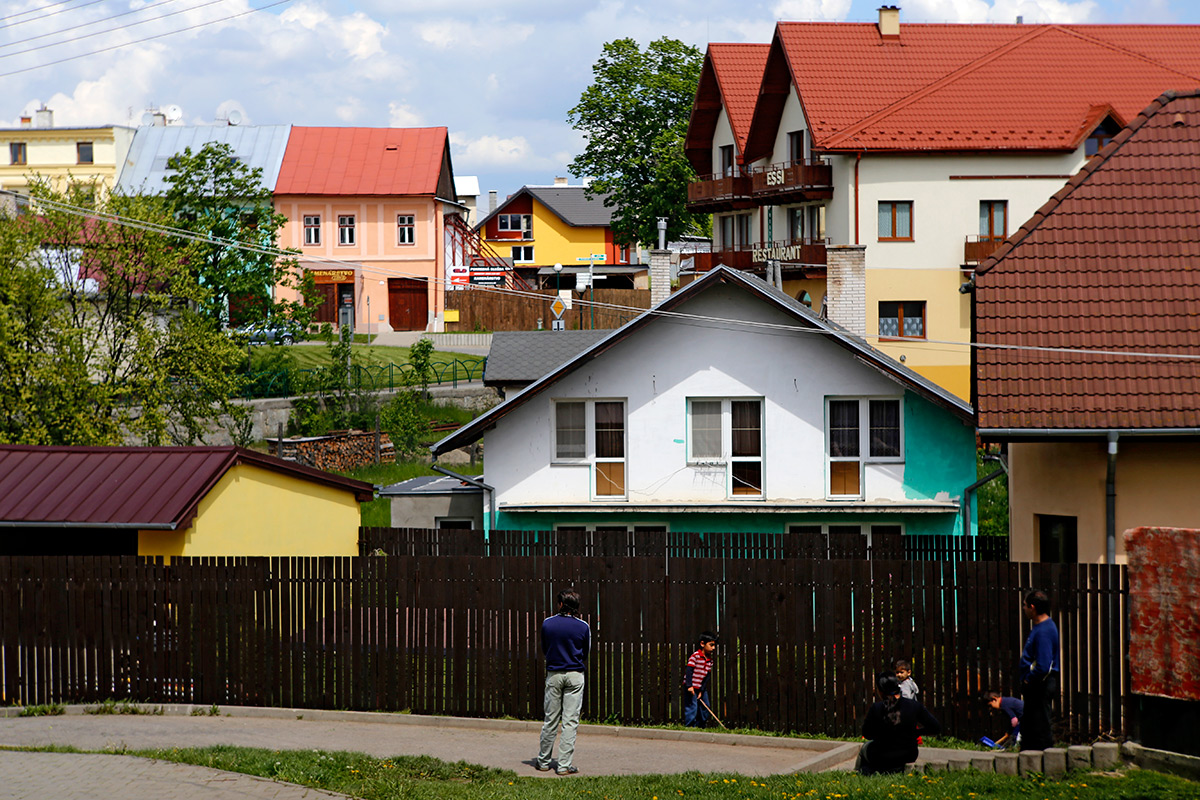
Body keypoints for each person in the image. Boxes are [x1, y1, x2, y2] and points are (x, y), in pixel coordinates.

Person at [536, 588, 591, 775]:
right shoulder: (583, 626)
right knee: (570, 721)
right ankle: (564, 765)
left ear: (560, 604)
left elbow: (545, 647)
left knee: (550, 719)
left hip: (554, 673)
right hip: (575, 673)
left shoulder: (548, 624)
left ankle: (543, 761)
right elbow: (585, 651)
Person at [857, 672, 942, 776]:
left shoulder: (876, 708)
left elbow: (867, 733)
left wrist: (881, 735)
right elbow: (936, 727)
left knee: (864, 747)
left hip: (881, 754)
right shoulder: (914, 705)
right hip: (909, 754)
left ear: (880, 691)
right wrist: (915, 732)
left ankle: (862, 773)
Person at [1018, 589, 1060, 751]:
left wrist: (1029, 679)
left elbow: (1043, 665)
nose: (1024, 608)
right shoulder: (1041, 627)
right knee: (1030, 725)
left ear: (1032, 607)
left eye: (1025, 605)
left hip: (1039, 685)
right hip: (1036, 684)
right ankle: (1028, 757)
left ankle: (1043, 760)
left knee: (1040, 725)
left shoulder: (1044, 631)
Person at [682, 631, 718, 727]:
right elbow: (689, 671)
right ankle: (689, 726)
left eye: (714, 645)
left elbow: (706, 676)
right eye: (711, 645)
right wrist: (689, 686)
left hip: (700, 687)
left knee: (705, 706)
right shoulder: (695, 656)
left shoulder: (709, 660)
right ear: (702, 644)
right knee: (692, 707)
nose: (713, 648)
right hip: (691, 686)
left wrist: (702, 690)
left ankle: (700, 725)